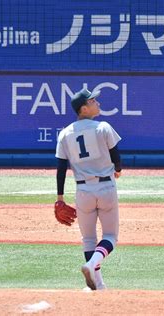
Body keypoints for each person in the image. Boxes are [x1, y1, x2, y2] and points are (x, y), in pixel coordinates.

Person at [55, 88, 122, 290]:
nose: (98, 103)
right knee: (110, 236)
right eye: (93, 101)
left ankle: (97, 284)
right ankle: (92, 264)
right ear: (84, 108)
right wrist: (118, 169)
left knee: (88, 239)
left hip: (82, 190)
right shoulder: (103, 127)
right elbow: (115, 155)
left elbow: (60, 168)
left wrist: (59, 198)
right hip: (105, 187)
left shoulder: (65, 133)